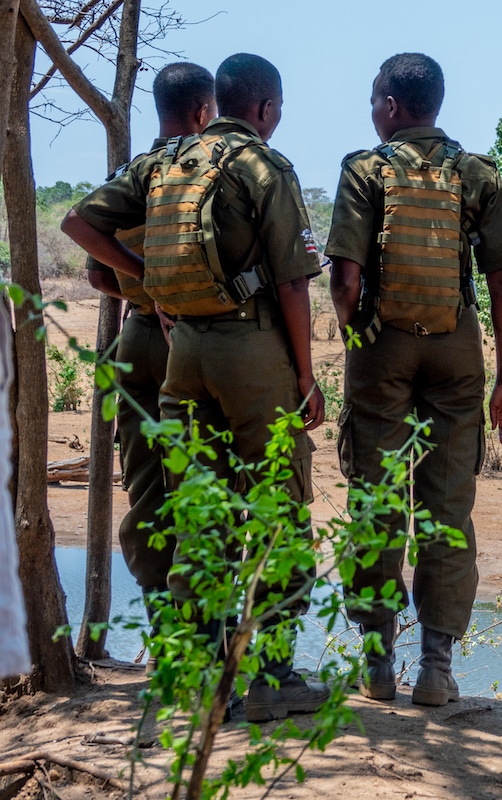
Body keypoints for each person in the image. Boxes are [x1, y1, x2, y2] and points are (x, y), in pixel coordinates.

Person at [61, 53, 328, 723]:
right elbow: (294, 282)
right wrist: (304, 374)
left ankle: (201, 683)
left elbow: (79, 222)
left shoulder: (162, 164)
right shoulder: (264, 166)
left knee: (198, 514)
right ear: (263, 108)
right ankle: (272, 677)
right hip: (251, 351)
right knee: (278, 504)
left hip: (185, 355)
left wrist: (147, 277)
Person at [327, 53, 502, 705]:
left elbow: (345, 279)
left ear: (390, 104)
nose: (371, 111)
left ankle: (379, 664)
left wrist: (357, 335)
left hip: (381, 349)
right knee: (447, 510)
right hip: (457, 350)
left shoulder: (365, 170)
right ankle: (437, 669)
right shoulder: (476, 174)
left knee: (377, 502)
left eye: (372, 100)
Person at [70, 63, 215, 649]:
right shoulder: (205, 172)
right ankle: (203, 644)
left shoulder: (128, 175)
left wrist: (144, 285)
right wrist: (166, 287)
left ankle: (163, 640)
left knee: (147, 493)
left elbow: (93, 268)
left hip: (136, 341)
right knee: (200, 488)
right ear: (205, 112)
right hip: (193, 343)